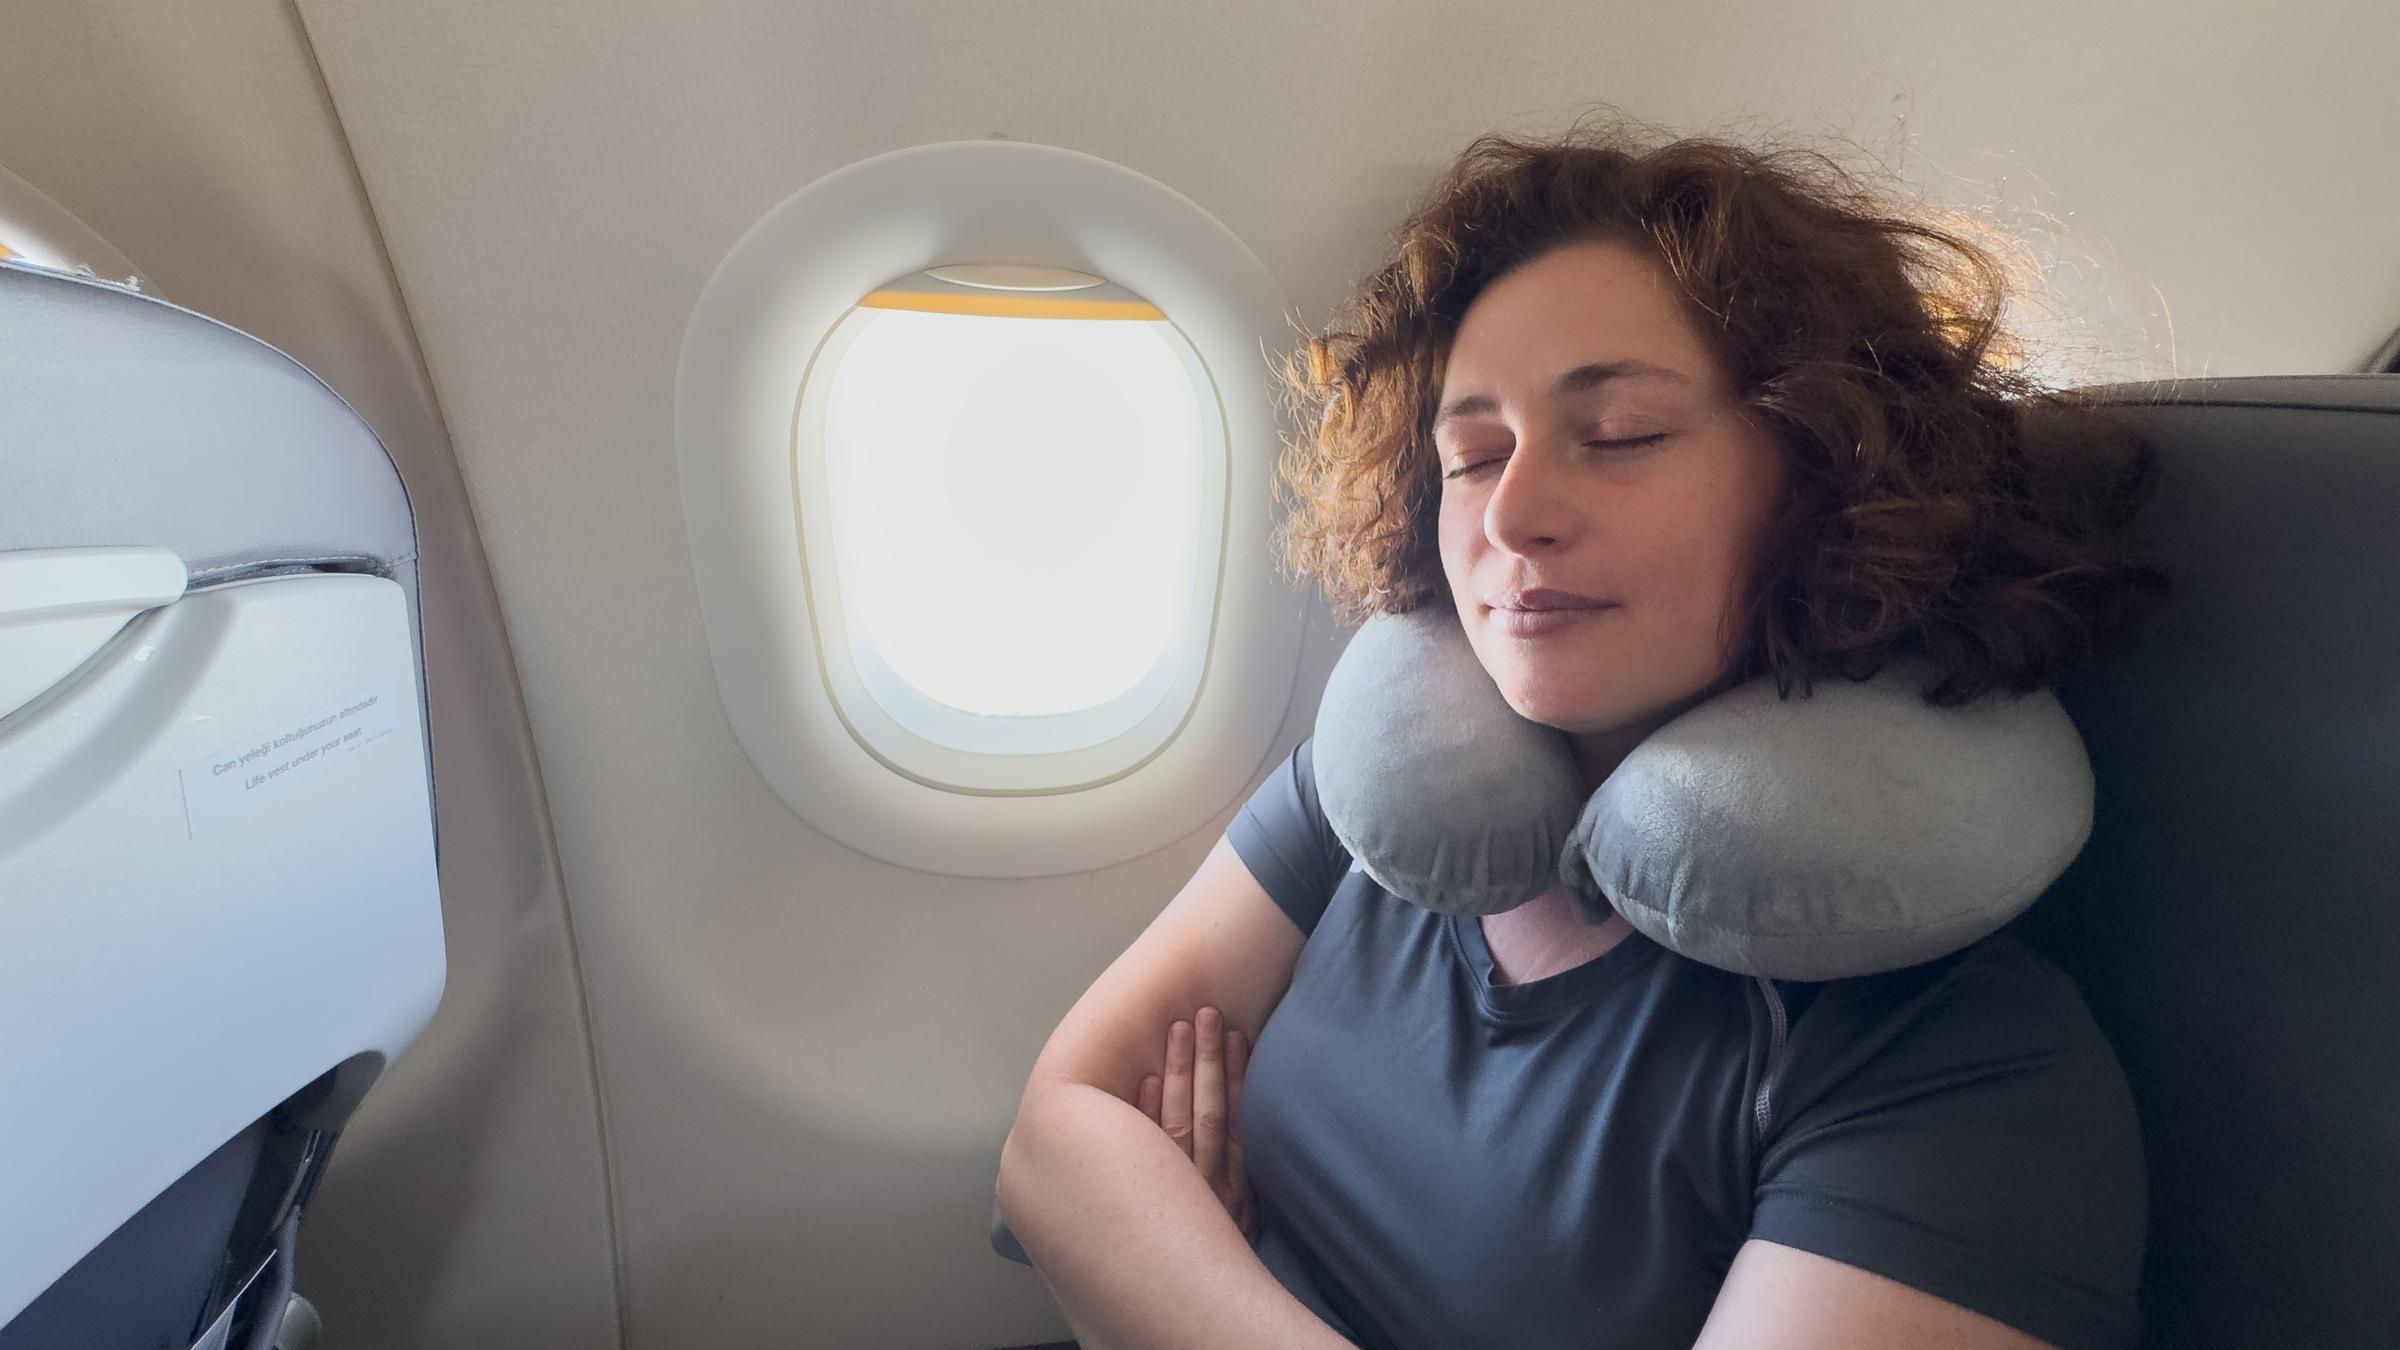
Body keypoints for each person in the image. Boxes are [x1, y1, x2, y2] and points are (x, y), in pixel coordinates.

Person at [995, 111, 2170, 1350]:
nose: (1516, 514)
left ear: (1834, 469)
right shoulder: (1381, 803)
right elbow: (1055, 1137)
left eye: (1620, 437)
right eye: (1470, 454)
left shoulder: (1958, 1068)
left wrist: (1183, 1278)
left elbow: (1113, 1202)